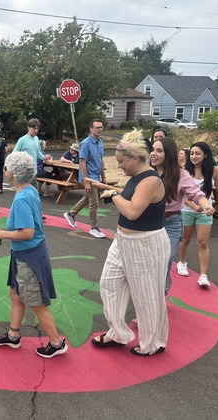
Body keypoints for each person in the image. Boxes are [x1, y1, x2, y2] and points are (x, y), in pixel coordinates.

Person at [89, 130, 170, 357]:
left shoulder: (151, 180)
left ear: (135, 158)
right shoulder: (136, 178)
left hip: (145, 243)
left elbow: (133, 211)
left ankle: (152, 342)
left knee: (146, 295)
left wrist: (113, 194)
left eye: (121, 161)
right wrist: (114, 194)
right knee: (109, 284)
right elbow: (129, 202)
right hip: (123, 240)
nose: (120, 166)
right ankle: (118, 333)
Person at [0, 151, 68, 358]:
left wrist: (2, 234)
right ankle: (13, 335)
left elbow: (27, 232)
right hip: (26, 254)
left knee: (35, 301)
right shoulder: (29, 190)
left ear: (13, 173)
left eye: (6, 168)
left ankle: (56, 343)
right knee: (16, 294)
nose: (4, 170)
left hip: (28, 255)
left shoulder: (22, 197)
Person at [149, 136, 215, 293]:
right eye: (152, 150)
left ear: (169, 154)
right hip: (149, 223)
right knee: (149, 263)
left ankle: (159, 297)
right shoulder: (147, 172)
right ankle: (155, 292)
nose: (153, 154)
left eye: (159, 151)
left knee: (164, 262)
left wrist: (206, 206)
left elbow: (196, 193)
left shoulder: (181, 174)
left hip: (171, 223)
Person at [177, 141, 218, 287]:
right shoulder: (184, 170)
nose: (194, 157)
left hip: (205, 211)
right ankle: (182, 262)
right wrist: (192, 205)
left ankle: (203, 275)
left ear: (205, 155)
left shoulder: (213, 170)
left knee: (203, 242)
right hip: (186, 210)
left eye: (198, 154)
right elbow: (179, 195)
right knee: (185, 239)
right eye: (192, 153)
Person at [63, 119, 107, 238]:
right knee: (95, 202)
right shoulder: (86, 144)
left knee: (87, 198)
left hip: (96, 176)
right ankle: (94, 227)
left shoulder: (100, 142)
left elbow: (101, 160)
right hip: (89, 177)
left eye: (101, 127)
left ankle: (71, 214)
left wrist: (104, 177)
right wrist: (86, 181)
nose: (100, 129)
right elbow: (82, 163)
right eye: (97, 127)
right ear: (91, 129)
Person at [12, 119, 44, 185]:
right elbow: (14, 154)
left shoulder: (36, 139)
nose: (36, 131)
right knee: (24, 192)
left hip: (33, 171)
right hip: (24, 172)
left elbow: (38, 152)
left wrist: (44, 158)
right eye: (34, 128)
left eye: (37, 129)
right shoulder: (22, 140)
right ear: (28, 127)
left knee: (33, 192)